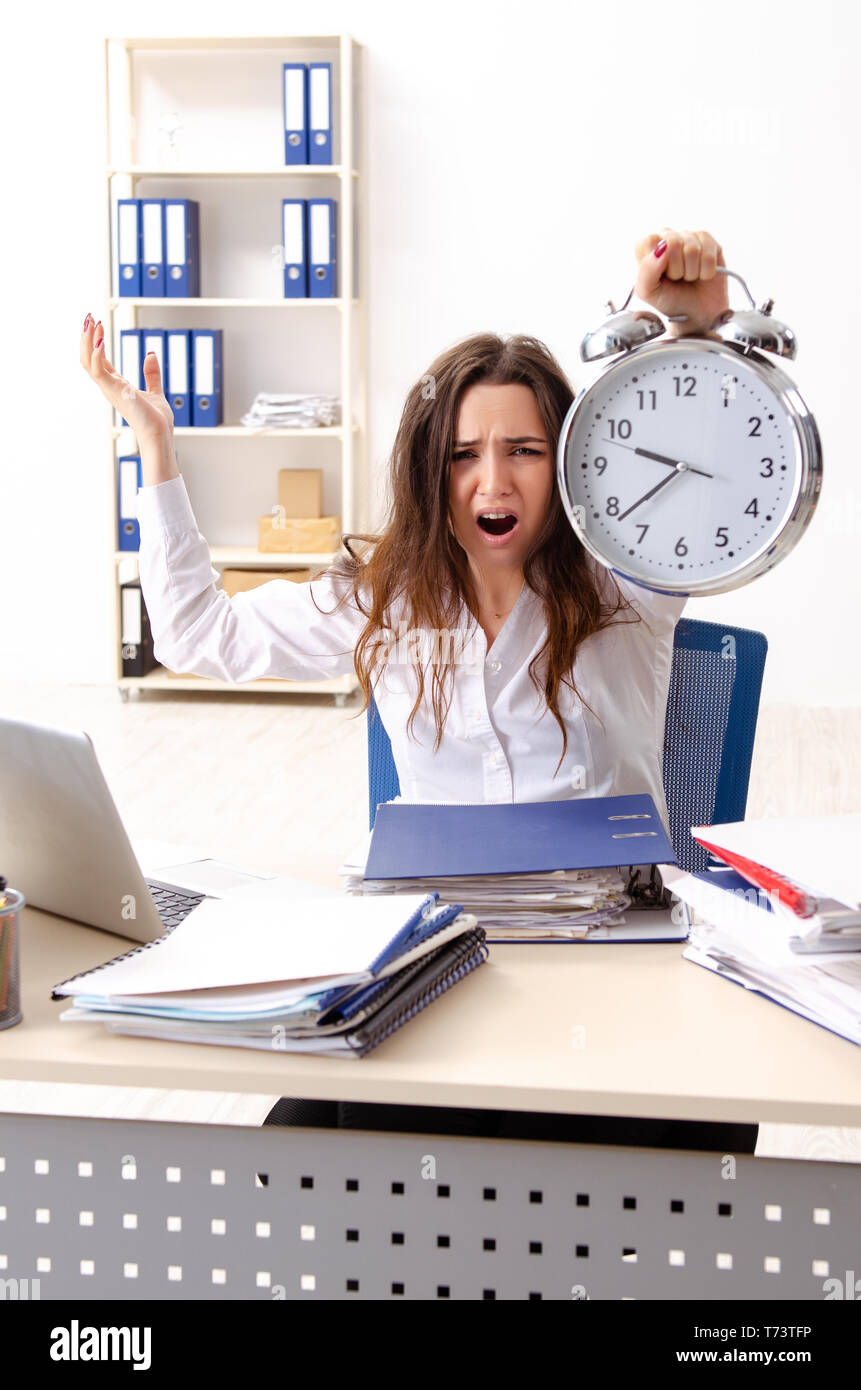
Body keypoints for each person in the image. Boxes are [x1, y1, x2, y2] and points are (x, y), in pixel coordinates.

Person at [80, 226, 757, 1153]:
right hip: (440, 955)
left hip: (600, 959)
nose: (492, 479)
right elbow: (201, 636)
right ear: (428, 468)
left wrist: (674, 320)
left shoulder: (628, 578)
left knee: (672, 1145)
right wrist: (154, 447)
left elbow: (699, 451)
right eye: (462, 455)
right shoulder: (388, 599)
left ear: (571, 461)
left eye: (524, 449)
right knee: (299, 1150)